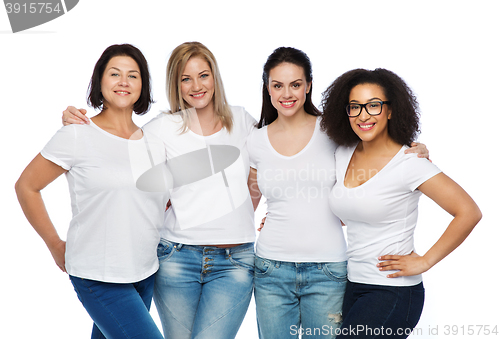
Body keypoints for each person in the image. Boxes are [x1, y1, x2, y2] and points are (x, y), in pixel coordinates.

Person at [61, 41, 256, 339]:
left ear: (215, 77)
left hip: (236, 261)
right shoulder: (161, 129)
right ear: (175, 84)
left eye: (203, 75)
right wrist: (77, 124)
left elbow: (276, 155)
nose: (196, 86)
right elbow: (116, 147)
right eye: (185, 78)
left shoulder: (243, 121)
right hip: (176, 258)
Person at [247, 48, 429, 339]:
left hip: (328, 271)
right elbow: (248, 202)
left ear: (308, 85)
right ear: (267, 89)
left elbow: (375, 149)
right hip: (271, 270)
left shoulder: (333, 132)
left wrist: (415, 147)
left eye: (295, 84)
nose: (287, 93)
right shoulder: (254, 141)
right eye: (277, 85)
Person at [15, 44, 166, 338]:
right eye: (115, 74)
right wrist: (53, 243)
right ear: (100, 81)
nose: (124, 82)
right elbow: (26, 186)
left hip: (145, 270)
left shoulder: (154, 141)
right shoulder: (77, 134)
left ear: (143, 86)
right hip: (98, 274)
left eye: (133, 76)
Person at [321, 68, 482, 338]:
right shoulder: (342, 153)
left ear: (391, 111)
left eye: (374, 105)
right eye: (355, 107)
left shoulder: (410, 163)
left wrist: (425, 261)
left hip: (393, 291)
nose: (363, 115)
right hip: (352, 284)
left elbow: (468, 212)